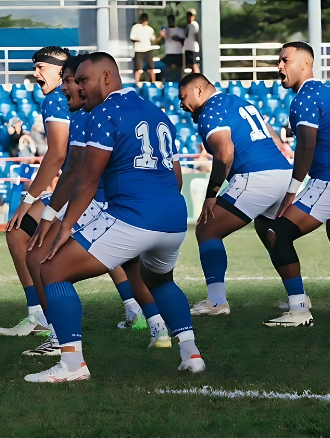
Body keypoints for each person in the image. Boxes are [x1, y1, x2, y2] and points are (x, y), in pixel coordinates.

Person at [24, 52, 203, 382]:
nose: (79, 87)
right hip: (174, 218)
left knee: (52, 269)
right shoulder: (157, 112)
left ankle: (72, 365)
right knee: (161, 281)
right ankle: (191, 354)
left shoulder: (105, 112)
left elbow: (88, 178)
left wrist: (64, 227)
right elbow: (176, 176)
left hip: (134, 215)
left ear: (106, 77)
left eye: (84, 81)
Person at [261, 42, 330, 327]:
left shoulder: (304, 96)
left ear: (305, 64)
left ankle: (298, 309)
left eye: (285, 60)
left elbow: (307, 145)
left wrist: (292, 191)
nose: (280, 66)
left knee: (276, 233)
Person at [178, 73, 292, 317]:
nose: (180, 104)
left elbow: (225, 154)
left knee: (207, 229)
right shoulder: (239, 101)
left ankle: (217, 302)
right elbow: (272, 136)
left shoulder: (210, 110)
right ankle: (299, 300)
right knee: (271, 234)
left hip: (257, 176)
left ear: (199, 90)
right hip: (282, 172)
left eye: (183, 96)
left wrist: (212, 195)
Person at [0, 47, 71, 338]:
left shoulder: (56, 99)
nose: (35, 72)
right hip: (94, 187)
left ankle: (47, 323)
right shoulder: (78, 96)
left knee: (38, 250)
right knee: (20, 234)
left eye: (41, 66)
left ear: (60, 70)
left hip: (89, 191)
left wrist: (27, 201)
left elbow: (56, 155)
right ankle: (141, 313)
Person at [129, 13, 158, 83]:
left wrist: (161, 37)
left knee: (151, 67)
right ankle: (137, 82)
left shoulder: (149, 29)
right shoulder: (136, 27)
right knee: (138, 68)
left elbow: (154, 39)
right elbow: (132, 38)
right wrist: (138, 40)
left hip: (147, 49)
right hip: (139, 50)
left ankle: (153, 82)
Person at [183, 10, 201, 75]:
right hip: (188, 48)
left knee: (194, 64)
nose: (190, 17)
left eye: (191, 16)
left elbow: (196, 35)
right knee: (190, 65)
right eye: (189, 16)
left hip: (194, 49)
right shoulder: (188, 25)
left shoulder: (194, 24)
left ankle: (197, 78)